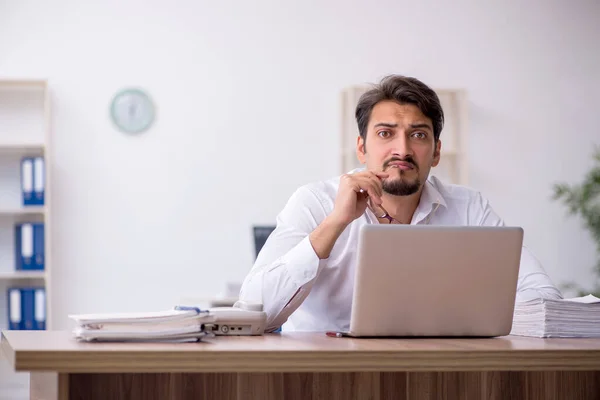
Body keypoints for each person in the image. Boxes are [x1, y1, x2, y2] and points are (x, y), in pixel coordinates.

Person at [239, 74, 562, 333]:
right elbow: (254, 311)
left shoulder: (469, 207)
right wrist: (334, 223)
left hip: (438, 371)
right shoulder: (314, 201)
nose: (402, 149)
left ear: (436, 152)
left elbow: (543, 297)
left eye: (418, 135)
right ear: (362, 149)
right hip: (325, 377)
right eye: (385, 134)